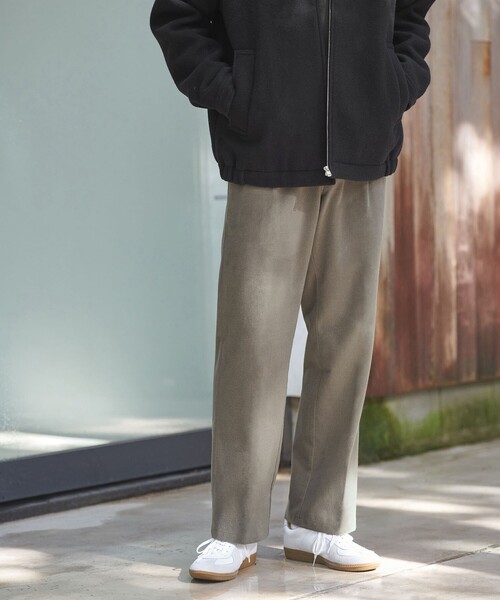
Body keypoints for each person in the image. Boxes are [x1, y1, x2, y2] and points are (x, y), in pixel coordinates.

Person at [150, 0, 435, 582]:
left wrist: (391, 84)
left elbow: (411, 16)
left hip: (360, 149)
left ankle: (320, 522)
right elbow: (178, 16)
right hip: (268, 152)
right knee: (251, 344)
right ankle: (234, 530)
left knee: (345, 342)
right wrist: (238, 95)